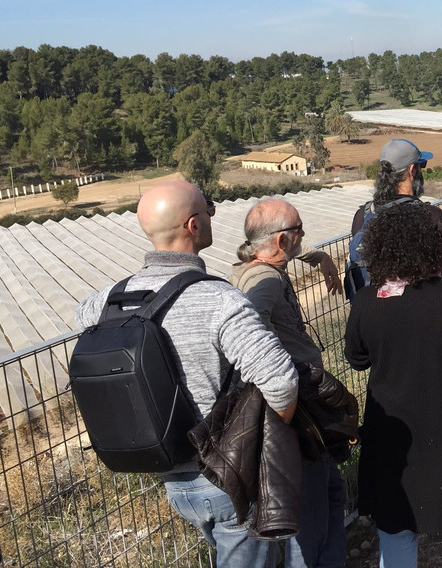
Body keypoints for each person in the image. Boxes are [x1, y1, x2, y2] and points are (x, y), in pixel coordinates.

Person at [76, 181, 298, 568]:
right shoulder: (220, 300)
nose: (212, 216)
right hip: (228, 478)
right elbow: (280, 382)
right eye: (208, 210)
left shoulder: (99, 305)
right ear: (194, 226)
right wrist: (266, 442)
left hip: (169, 479)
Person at [345, 201, 442, 568]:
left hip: (392, 430)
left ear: (379, 248)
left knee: (396, 522)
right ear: (428, 245)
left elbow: (356, 359)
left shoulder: (368, 301)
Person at [230, 199, 347, 568]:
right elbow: (249, 321)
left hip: (296, 402)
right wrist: (276, 365)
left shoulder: (259, 261)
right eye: (299, 232)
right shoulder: (264, 280)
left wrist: (320, 258)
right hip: (294, 406)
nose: (304, 236)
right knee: (310, 514)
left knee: (329, 491)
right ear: (282, 241)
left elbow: (289, 245)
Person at [346, 138, 442, 296]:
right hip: (420, 312)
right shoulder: (431, 216)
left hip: (375, 312)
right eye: (420, 166)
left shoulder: (363, 215)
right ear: (412, 170)